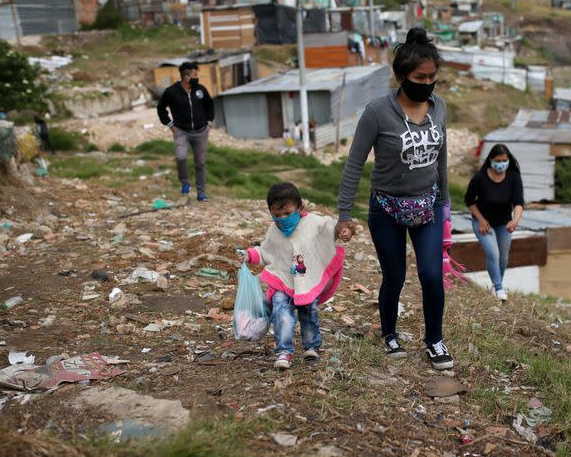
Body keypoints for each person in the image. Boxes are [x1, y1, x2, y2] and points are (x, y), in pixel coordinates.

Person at [336, 27, 454, 370]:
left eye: (433, 76)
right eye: (420, 76)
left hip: (428, 205)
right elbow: (355, 162)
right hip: (386, 206)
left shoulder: (440, 107)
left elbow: (441, 158)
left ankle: (434, 340)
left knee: (432, 275)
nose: (428, 82)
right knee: (395, 275)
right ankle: (389, 333)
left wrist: (445, 207)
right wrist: (344, 213)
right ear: (402, 76)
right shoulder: (377, 112)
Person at [238, 182, 349, 369]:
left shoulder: (313, 223)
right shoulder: (274, 230)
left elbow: (332, 228)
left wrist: (344, 230)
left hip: (306, 280)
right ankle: (283, 351)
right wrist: (248, 254)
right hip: (283, 281)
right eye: (277, 215)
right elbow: (266, 252)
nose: (283, 219)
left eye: (288, 214)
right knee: (281, 313)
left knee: (309, 313)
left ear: (299, 208)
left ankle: (312, 346)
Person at [464, 144, 525, 301]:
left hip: (503, 224)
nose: (501, 163)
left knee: (503, 258)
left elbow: (518, 202)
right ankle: (499, 289)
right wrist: (481, 219)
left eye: (504, 160)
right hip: (483, 223)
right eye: (498, 160)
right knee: (493, 254)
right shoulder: (480, 177)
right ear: (491, 159)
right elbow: (469, 200)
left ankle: (497, 286)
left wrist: (515, 220)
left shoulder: (513, 177)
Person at [156, 61, 214, 201]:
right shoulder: (171, 92)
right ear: (186, 77)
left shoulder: (201, 90)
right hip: (181, 131)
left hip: (201, 131)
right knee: (181, 157)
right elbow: (161, 108)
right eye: (195, 75)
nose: (197, 77)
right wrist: (170, 124)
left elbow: (210, 106)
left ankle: (201, 192)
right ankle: (185, 182)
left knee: (200, 163)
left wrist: (209, 123)